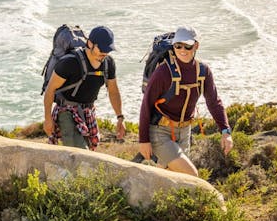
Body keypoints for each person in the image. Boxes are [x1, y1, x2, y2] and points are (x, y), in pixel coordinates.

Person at [138, 26, 233, 177]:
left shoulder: (203, 71)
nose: (182, 50)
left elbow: (214, 102)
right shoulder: (163, 72)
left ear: (196, 45)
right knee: (191, 175)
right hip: (160, 131)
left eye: (187, 46)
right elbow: (146, 105)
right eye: (178, 46)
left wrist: (225, 132)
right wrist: (143, 140)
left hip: (185, 132)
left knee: (170, 177)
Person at [42, 25, 126, 150]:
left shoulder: (108, 63)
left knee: (88, 154)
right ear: (90, 43)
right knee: (79, 153)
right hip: (66, 111)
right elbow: (50, 89)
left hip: (88, 112)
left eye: (108, 50)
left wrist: (120, 117)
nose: (105, 53)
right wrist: (48, 119)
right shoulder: (70, 63)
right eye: (102, 49)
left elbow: (113, 91)